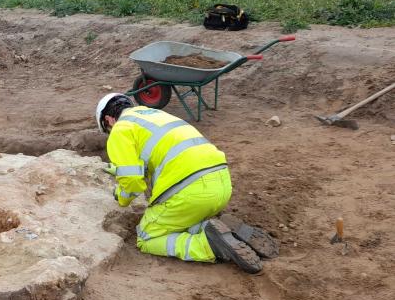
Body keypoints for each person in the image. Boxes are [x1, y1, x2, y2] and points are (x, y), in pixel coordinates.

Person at [95, 93, 277, 273]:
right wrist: (118, 168)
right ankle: (226, 230)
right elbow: (157, 155)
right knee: (179, 220)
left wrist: (122, 198)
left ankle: (207, 245)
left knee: (146, 237)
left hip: (190, 193)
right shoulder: (155, 116)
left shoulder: (120, 129)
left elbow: (133, 181)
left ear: (109, 120)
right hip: (221, 185)